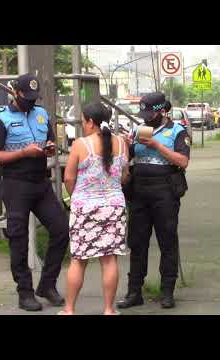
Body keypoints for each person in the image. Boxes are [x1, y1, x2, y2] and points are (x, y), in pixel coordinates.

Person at [0, 74, 70, 311]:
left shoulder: (42, 114)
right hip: (15, 184)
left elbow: (49, 143)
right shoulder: (1, 119)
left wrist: (48, 149)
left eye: (34, 98)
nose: (31, 102)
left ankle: (47, 285)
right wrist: (23, 153)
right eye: (26, 97)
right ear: (15, 93)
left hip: (40, 182)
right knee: (18, 239)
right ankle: (25, 292)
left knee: (62, 230)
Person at [117, 92, 191, 310]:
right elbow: (127, 157)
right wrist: (125, 144)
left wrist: (157, 146)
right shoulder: (138, 129)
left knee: (167, 241)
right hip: (139, 191)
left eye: (150, 113)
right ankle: (134, 291)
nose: (146, 118)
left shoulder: (177, 131)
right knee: (137, 242)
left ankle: (167, 291)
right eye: (144, 114)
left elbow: (183, 161)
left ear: (162, 111)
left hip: (165, 191)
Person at [59, 102, 130, 315]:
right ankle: (109, 309)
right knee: (109, 260)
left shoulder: (81, 145)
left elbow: (69, 177)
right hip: (114, 207)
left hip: (85, 208)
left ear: (91, 122)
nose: (82, 125)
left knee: (79, 260)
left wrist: (78, 198)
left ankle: (69, 309)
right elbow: (124, 176)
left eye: (83, 121)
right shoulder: (122, 143)